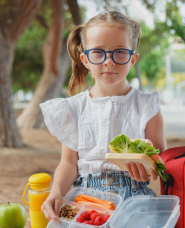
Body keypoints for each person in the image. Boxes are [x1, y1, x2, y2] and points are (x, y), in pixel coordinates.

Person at [39, 11, 167, 222]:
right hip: (84, 201)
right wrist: (56, 192)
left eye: (119, 52)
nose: (109, 61)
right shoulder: (74, 108)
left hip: (135, 202)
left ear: (133, 59)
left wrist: (148, 170)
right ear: (85, 59)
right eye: (98, 52)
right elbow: (69, 164)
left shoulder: (147, 107)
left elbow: (160, 162)